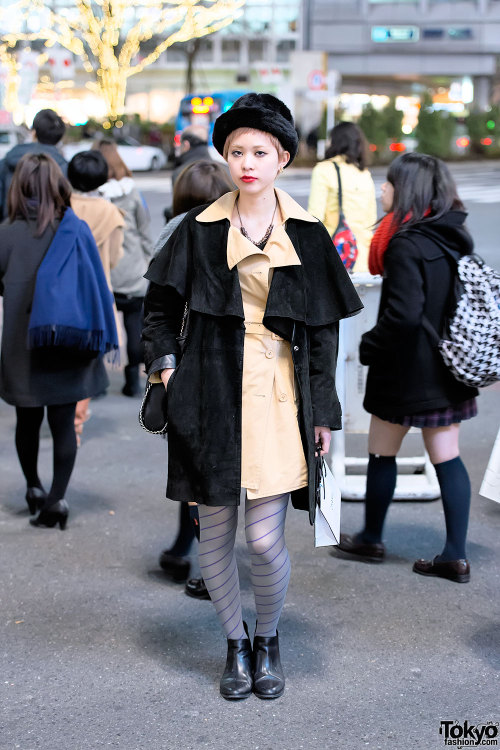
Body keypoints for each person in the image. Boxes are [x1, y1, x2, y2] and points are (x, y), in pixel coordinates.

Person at [142, 93, 362, 700]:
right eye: (236, 151)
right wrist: (165, 370)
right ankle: (235, 643)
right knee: (214, 536)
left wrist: (325, 414)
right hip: (208, 390)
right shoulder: (196, 230)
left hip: (281, 394)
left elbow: (323, 333)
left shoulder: (309, 237)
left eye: (259, 151)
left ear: (282, 158)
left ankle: (268, 636)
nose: (246, 162)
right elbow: (159, 310)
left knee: (263, 541)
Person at [337, 152, 479, 584]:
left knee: (382, 450)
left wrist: (367, 345)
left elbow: (402, 316)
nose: (383, 189)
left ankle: (371, 538)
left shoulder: (404, 244)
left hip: (405, 370)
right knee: (448, 459)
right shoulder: (449, 237)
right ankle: (455, 555)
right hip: (447, 367)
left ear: (407, 191)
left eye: (389, 183)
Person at [0, 153, 116, 530]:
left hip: (22, 347)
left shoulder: (6, 233)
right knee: (64, 424)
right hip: (69, 345)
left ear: (19, 188)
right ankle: (57, 499)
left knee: (27, 421)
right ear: (58, 185)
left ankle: (33, 487)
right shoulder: (75, 229)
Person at [154, 160, 234, 602]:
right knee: (211, 472)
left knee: (195, 470)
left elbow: (158, 304)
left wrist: (166, 371)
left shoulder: (174, 230)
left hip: (186, 370)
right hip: (228, 366)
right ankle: (194, 553)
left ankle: (206, 565)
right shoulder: (235, 226)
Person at [68, 150, 125, 442]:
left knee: (62, 360)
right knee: (89, 364)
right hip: (97, 295)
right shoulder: (110, 212)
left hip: (64, 294)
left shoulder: (62, 205)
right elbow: (114, 258)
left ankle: (62, 416)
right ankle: (77, 423)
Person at [94, 139, 154, 397]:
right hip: (132, 272)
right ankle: (132, 382)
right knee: (134, 326)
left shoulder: (93, 195)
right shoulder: (132, 192)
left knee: (97, 326)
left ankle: (96, 383)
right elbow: (144, 231)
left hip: (102, 273)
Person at [307, 121, 377, 273]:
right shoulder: (364, 174)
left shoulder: (324, 170)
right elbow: (371, 220)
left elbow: (314, 217)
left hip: (333, 255)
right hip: (361, 259)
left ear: (334, 142)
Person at [0, 109, 67, 221]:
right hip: (50, 232)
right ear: (60, 137)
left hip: (9, 226)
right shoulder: (64, 167)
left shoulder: (8, 160)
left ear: (34, 132)